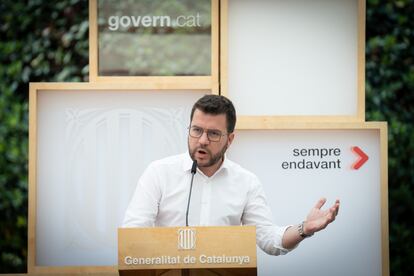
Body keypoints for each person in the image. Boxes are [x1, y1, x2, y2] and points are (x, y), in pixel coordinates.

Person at [123, 94, 340, 255]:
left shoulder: (246, 182)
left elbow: (270, 240)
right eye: (196, 130)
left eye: (214, 133)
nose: (202, 140)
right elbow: (132, 235)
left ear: (230, 139)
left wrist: (305, 228)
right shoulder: (158, 173)